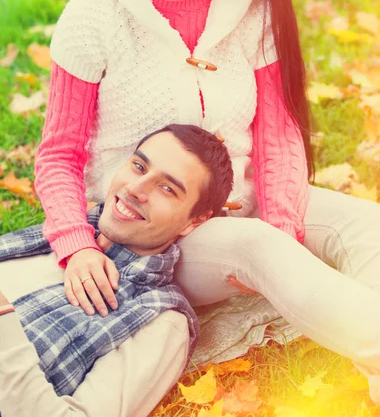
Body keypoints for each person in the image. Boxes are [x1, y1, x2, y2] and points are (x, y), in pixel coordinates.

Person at [33, 0, 380, 416]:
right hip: (153, 225)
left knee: (363, 220)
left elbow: (278, 132)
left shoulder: (249, 4)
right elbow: (57, 153)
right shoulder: (95, 12)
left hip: (242, 196)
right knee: (257, 248)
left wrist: (283, 221)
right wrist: (75, 247)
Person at [0, 124, 234, 417]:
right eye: (138, 166)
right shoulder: (56, 236)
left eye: (167, 188)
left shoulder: (160, 322)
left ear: (194, 221)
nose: (135, 189)